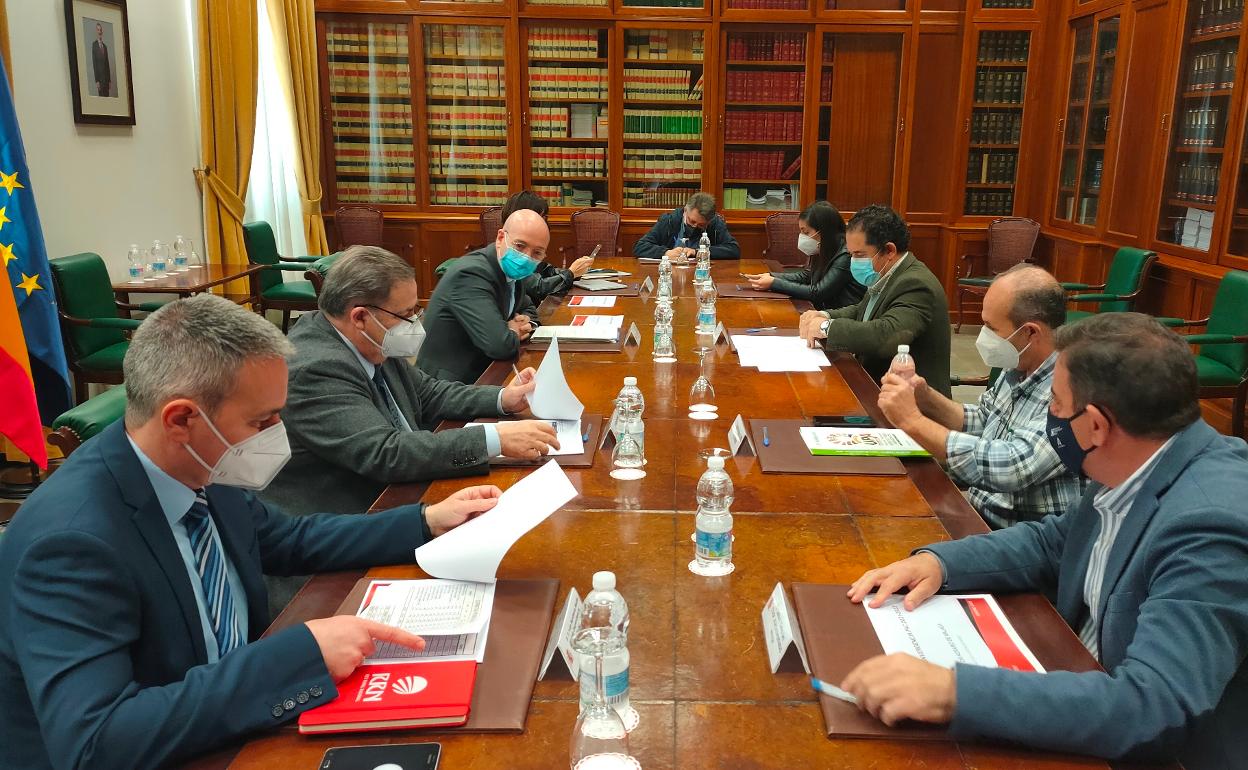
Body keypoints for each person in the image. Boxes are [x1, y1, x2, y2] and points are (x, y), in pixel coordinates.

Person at [0, 294, 506, 770]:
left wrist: (426, 520)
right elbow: (96, 743)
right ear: (181, 419)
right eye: (262, 421)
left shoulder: (197, 462)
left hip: (229, 720)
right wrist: (297, 658)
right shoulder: (71, 544)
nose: (276, 435)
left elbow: (288, 540)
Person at [842, 313, 1248, 770]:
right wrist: (940, 563)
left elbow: (1153, 705)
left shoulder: (1210, 527)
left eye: (1055, 402)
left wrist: (953, 692)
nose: (1049, 415)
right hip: (1078, 674)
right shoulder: (1136, 457)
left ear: (1096, 425)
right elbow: (1054, 543)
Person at [263, 246, 559, 517]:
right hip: (355, 514)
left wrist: (503, 398)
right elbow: (385, 452)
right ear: (360, 317)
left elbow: (427, 392)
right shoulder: (316, 368)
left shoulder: (371, 338)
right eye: (405, 314)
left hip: (404, 487)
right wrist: (494, 439)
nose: (414, 323)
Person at [876, 264, 1085, 528]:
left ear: (1030, 332)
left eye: (990, 327)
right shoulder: (1019, 363)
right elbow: (984, 420)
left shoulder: (1071, 386)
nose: (983, 336)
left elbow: (1011, 466)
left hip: (1021, 534)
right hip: (978, 512)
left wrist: (912, 421)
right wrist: (924, 396)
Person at [799, 204, 951, 396]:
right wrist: (824, 315)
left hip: (912, 400)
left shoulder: (915, 283)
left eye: (859, 254)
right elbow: (862, 310)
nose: (853, 261)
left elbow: (888, 334)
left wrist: (826, 327)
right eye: (851, 254)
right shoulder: (888, 272)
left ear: (889, 250)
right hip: (876, 383)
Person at [418, 208, 548, 384]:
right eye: (519, 246)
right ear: (500, 238)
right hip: (449, 385)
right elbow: (500, 345)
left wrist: (527, 324)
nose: (526, 257)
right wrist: (510, 331)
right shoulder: (472, 274)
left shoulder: (510, 271)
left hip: (487, 368)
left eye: (537, 253)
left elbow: (529, 308)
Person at [742, 200, 865, 310]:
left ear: (823, 231)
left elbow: (818, 292)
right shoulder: (824, 247)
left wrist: (774, 283)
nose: (802, 237)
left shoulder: (846, 255)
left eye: (806, 232)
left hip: (841, 315)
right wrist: (771, 276)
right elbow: (806, 276)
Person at [496, 190, 595, 304]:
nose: (543, 224)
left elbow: (544, 270)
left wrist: (574, 271)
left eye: (544, 218)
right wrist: (571, 273)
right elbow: (539, 288)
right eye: (539, 218)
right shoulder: (509, 251)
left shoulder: (528, 243)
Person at [633, 191, 740, 261]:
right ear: (685, 211)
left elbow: (733, 249)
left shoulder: (715, 223)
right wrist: (666, 253)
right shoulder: (669, 220)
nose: (694, 226)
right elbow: (640, 247)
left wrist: (697, 252)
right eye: (692, 221)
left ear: (709, 221)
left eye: (701, 225)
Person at [91, 23, 112, 98]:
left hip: (106, 80)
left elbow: (107, 64)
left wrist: (109, 81)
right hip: (100, 80)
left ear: (102, 32)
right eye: (98, 30)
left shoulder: (105, 47)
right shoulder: (94, 45)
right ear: (96, 32)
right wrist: (97, 81)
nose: (99, 32)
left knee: (107, 100)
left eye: (100, 30)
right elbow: (94, 64)